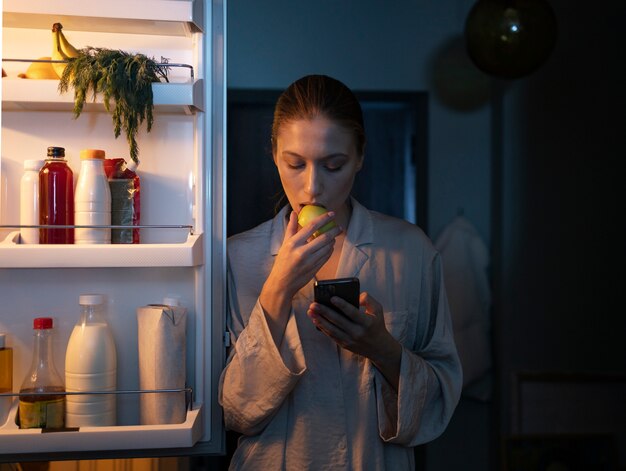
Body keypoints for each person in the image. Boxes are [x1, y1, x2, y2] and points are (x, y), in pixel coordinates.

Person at [219, 74, 462, 470]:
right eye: (294, 163)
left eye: (334, 165)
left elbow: (440, 400)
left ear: (360, 156)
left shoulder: (409, 251)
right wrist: (277, 290)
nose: (312, 187)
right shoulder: (238, 257)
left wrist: (383, 349)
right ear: (274, 154)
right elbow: (235, 412)